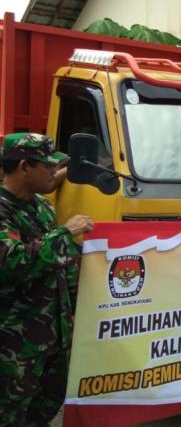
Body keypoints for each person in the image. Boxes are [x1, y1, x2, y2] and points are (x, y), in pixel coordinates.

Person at [0, 132, 95, 426]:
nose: (55, 172)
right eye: (48, 166)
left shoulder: (41, 206)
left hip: (53, 336)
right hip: (14, 344)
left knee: (43, 409)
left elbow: (60, 265)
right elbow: (13, 263)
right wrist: (65, 233)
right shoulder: (4, 210)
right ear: (25, 166)